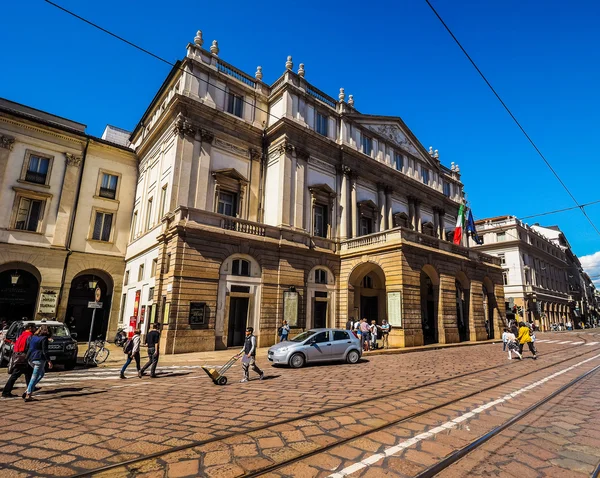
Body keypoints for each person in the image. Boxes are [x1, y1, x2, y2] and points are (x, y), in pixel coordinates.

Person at [2, 323, 35, 398]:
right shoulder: (29, 336)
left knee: (29, 372)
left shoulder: (22, 335)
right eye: (34, 327)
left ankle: (31, 387)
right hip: (22, 358)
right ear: (30, 328)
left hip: (18, 356)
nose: (35, 329)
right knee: (15, 375)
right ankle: (6, 392)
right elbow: (29, 347)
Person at [24, 325, 53, 401]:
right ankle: (28, 393)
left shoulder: (33, 337)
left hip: (30, 358)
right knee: (34, 377)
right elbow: (45, 351)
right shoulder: (44, 339)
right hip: (39, 358)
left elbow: (28, 347)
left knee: (41, 373)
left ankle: (28, 389)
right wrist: (49, 361)